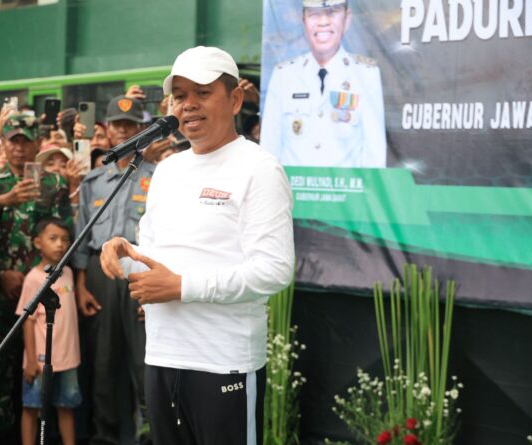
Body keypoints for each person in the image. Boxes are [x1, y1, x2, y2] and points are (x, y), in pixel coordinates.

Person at [99, 46, 294, 445]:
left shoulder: (259, 169)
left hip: (224, 364)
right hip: (161, 358)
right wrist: (125, 258)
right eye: (179, 95)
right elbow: (157, 264)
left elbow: (274, 270)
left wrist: (182, 287)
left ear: (235, 100)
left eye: (202, 93)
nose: (188, 105)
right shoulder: (167, 170)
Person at [0, 114, 72, 438]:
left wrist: (37, 276)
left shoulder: (54, 183)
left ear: (37, 144)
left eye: (25, 141)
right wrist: (0, 272)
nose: (19, 148)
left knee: (45, 364)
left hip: (42, 292)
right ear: (3, 145)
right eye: (13, 141)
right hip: (2, 290)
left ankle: (45, 435)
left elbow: (63, 234)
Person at [73, 95, 154, 444]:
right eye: (117, 126)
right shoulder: (92, 181)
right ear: (106, 131)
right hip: (99, 275)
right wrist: (80, 286)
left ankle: (150, 435)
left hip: (141, 272)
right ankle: (105, 436)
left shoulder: (159, 177)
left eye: (131, 126)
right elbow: (81, 238)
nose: (123, 131)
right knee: (104, 363)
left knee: (144, 361)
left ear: (142, 130)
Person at [261, 0, 386, 168]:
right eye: (314, 14)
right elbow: (269, 151)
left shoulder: (366, 75)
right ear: (303, 21)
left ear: (347, 18)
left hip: (345, 185)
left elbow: (374, 154)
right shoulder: (283, 75)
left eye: (332, 12)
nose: (323, 22)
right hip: (293, 184)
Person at [15, 218, 81, 445]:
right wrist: (31, 360)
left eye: (65, 239)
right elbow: (27, 321)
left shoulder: (68, 273)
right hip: (41, 361)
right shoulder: (33, 279)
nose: (60, 244)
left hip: (69, 359)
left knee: (67, 407)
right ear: (37, 243)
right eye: (53, 238)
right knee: (31, 407)